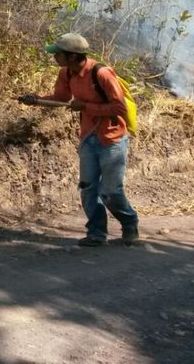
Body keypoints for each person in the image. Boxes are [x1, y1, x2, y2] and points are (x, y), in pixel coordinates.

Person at [17, 33, 139, 247]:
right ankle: (96, 233)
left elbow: (119, 107)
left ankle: (129, 223)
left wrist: (86, 107)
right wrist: (36, 100)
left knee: (110, 191)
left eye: (58, 54)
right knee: (88, 187)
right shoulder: (66, 73)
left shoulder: (101, 73)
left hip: (112, 140)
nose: (54, 57)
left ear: (72, 56)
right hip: (88, 137)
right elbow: (61, 98)